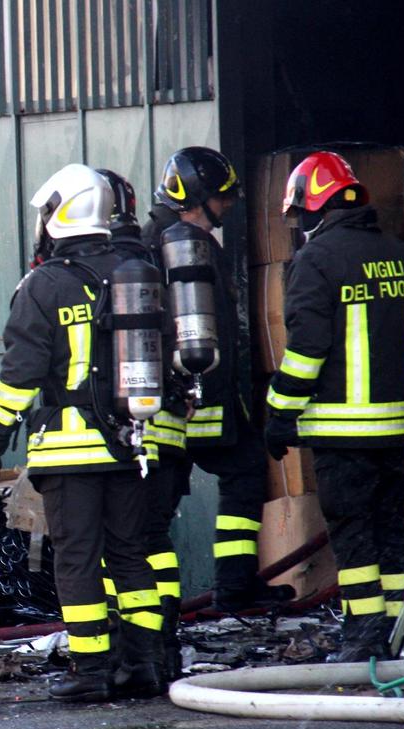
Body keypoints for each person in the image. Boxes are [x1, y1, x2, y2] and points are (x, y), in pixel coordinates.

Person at [0, 164, 165, 702]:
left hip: (70, 449)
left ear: (59, 214)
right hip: (133, 442)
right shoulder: (136, 272)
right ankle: (144, 665)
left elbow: (21, 374)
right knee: (131, 554)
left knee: (78, 557)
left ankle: (91, 670)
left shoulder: (43, 285)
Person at [264, 151, 404, 662]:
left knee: (354, 540)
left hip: (340, 429)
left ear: (315, 205)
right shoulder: (401, 255)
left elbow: (307, 350)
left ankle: (363, 638)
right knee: (387, 533)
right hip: (392, 427)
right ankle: (403, 632)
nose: (301, 226)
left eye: (302, 214)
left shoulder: (317, 261)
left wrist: (279, 413)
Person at [142, 146, 289, 612]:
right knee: (158, 510)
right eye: (221, 197)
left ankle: (229, 589)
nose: (227, 205)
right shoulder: (178, 243)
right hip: (186, 403)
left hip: (197, 400)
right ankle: (192, 603)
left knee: (243, 470)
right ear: (197, 196)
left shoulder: (162, 239)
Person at [97, 169, 187, 678]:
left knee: (123, 546)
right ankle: (165, 643)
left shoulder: (96, 269)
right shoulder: (161, 257)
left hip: (129, 433)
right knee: (157, 540)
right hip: (170, 428)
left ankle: (132, 650)